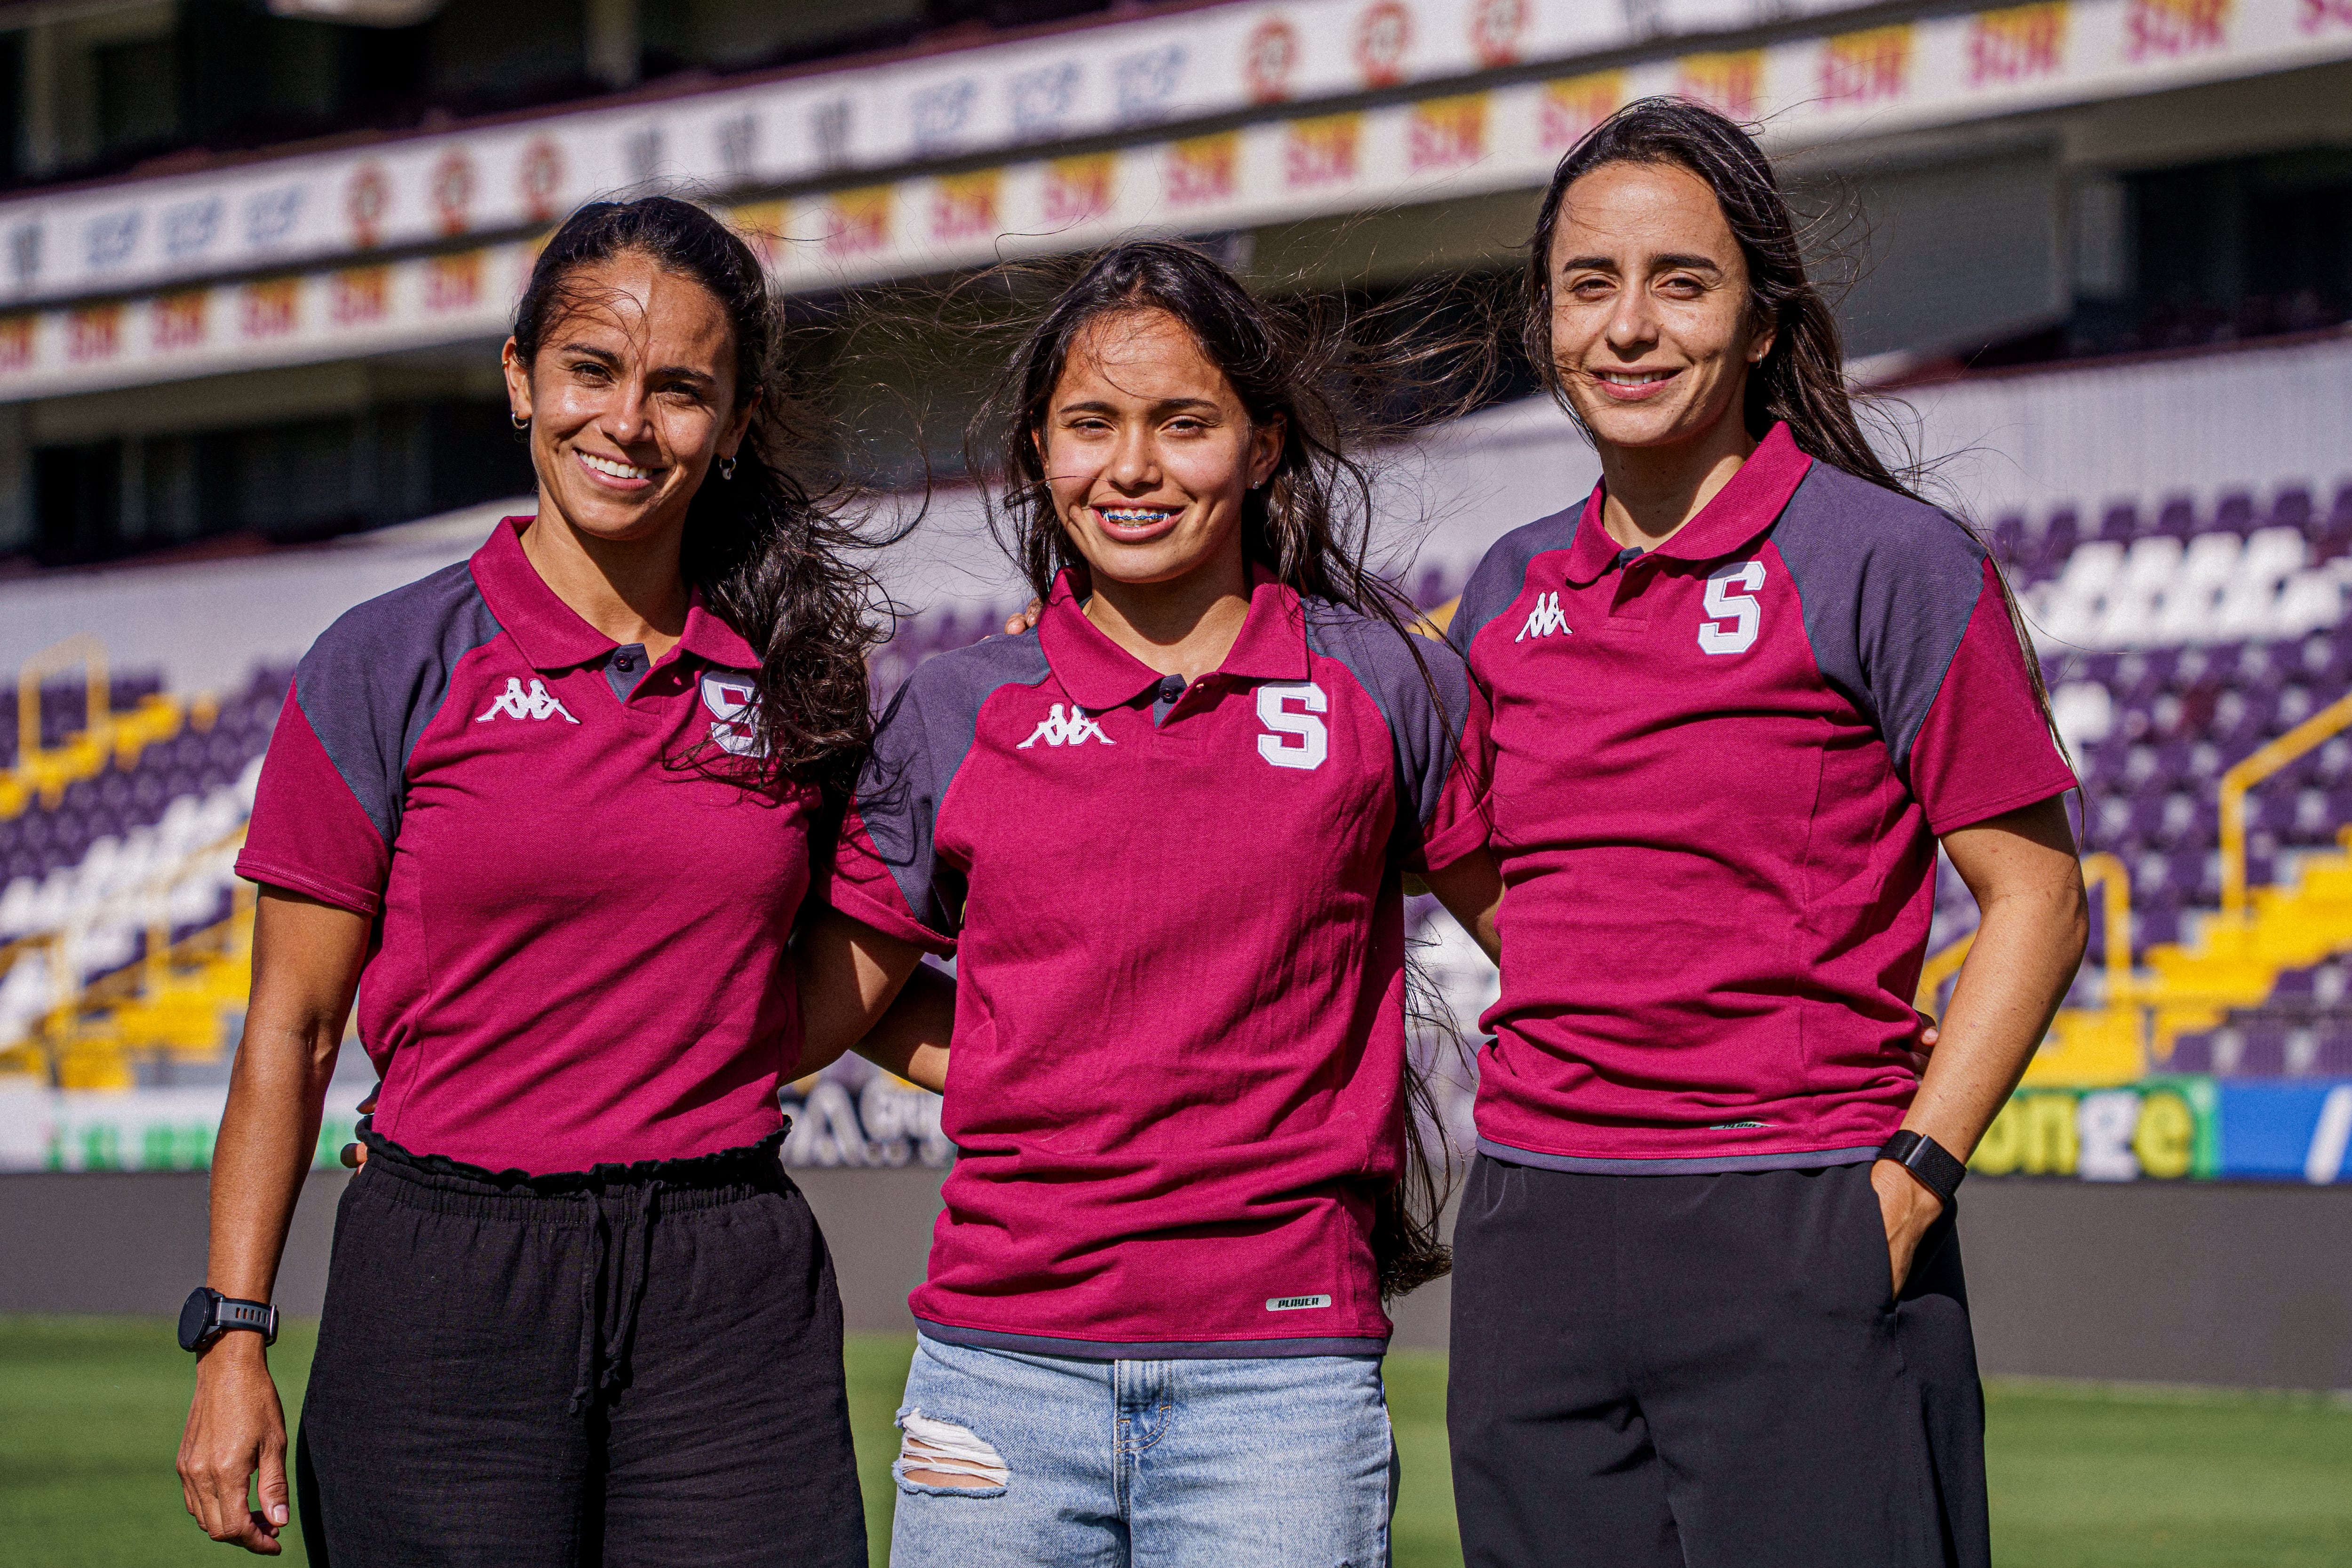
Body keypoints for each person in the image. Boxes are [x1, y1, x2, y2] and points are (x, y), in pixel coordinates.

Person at [174, 197, 884, 1567]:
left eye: (683, 390)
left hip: (726, 1289)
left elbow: (826, 972)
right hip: (446, 1283)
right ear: (521, 379)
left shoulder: (800, 683)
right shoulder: (388, 659)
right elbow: (296, 1027)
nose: (628, 423)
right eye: (592, 372)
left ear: (735, 425)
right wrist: (235, 1333)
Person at [1439, 98, 2090, 1568]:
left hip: (1801, 1212)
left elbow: (2038, 900)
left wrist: (1911, 1180)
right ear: (1544, 321)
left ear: (1756, 318)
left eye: (1682, 281)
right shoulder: (1502, 585)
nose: (1629, 327)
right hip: (1535, 1227)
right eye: (1589, 284)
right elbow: (1489, 868)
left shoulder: (1890, 560)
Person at [790, 239, 1504, 1568]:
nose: (1132, 468)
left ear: (1264, 442)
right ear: (1038, 450)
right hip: (1000, 1374)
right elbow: (829, 1009)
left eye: (1183, 423)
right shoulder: (957, 709)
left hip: (1284, 1382)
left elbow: (1556, 938)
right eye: (1090, 426)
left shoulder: (1385, 685)